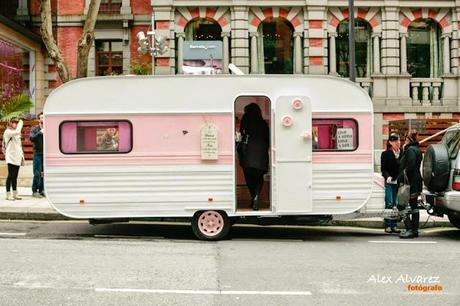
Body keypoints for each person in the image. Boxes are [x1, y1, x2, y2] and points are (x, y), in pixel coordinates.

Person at [238, 103, 269, 210]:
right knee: (259, 177)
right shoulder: (263, 122)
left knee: (249, 178)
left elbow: (241, 133)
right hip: (261, 154)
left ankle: (253, 198)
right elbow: (267, 139)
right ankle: (256, 197)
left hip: (247, 153)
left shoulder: (246, 119)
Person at [398, 130, 423, 239]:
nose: (404, 141)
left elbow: (410, 165)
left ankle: (410, 229)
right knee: (413, 206)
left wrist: (401, 177)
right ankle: (414, 230)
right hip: (415, 181)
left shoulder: (410, 150)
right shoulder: (417, 149)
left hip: (410, 183)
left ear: (408, 139)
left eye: (405, 139)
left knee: (401, 205)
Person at [380, 133, 401, 234]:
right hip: (389, 181)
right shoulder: (386, 154)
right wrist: (387, 176)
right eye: (396, 141)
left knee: (396, 204)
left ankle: (394, 225)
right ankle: (388, 225)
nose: (398, 143)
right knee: (389, 203)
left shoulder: (402, 153)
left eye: (399, 140)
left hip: (398, 182)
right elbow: (383, 169)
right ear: (390, 142)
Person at [2, 118, 24, 201]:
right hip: (11, 157)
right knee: (10, 176)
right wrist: (21, 123)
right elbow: (17, 132)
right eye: (14, 122)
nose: (16, 124)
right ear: (10, 123)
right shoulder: (8, 132)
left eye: (17, 123)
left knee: (15, 176)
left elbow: (19, 145)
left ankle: (15, 193)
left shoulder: (17, 133)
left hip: (17, 157)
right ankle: (8, 194)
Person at [30, 112, 44, 197]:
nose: (43, 119)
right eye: (41, 117)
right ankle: (34, 191)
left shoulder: (48, 128)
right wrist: (40, 132)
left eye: (44, 117)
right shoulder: (35, 128)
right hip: (37, 154)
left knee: (43, 173)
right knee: (37, 173)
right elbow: (31, 138)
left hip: (45, 154)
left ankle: (42, 190)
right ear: (39, 119)